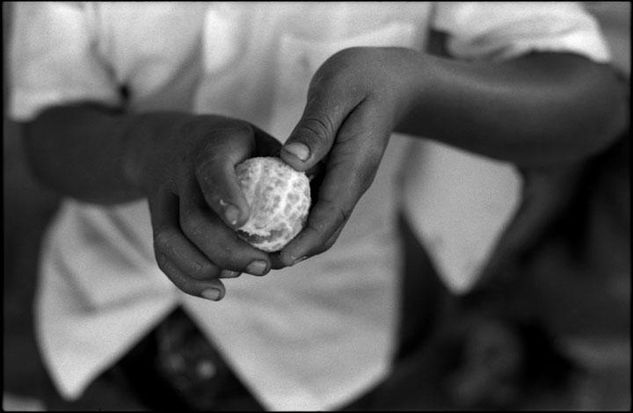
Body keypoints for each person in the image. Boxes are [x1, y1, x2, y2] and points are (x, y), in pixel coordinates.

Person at [9, 2, 627, 410]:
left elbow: (591, 102)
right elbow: (51, 129)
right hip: (100, 321)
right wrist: (145, 150)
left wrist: (416, 89)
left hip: (324, 347)